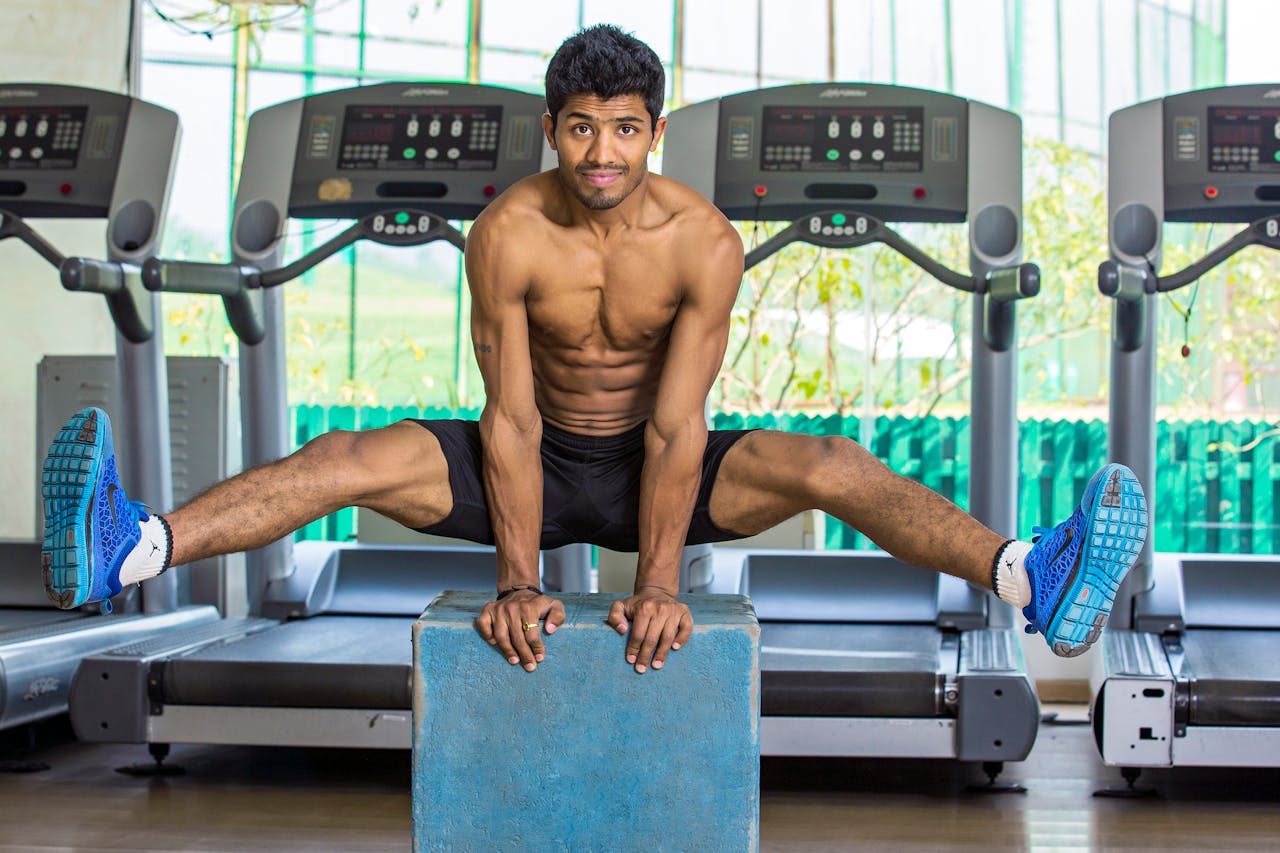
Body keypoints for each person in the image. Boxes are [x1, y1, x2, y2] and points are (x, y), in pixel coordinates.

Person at [40, 24, 1147, 676]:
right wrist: (518, 582)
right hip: (531, 452)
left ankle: (1026, 573)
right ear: (550, 126)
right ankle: (131, 548)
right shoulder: (510, 233)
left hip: (650, 461)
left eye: (623, 128)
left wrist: (656, 584)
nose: (601, 151)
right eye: (581, 127)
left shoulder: (702, 243)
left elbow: (677, 425)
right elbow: (510, 418)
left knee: (826, 463)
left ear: (654, 131)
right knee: (341, 456)